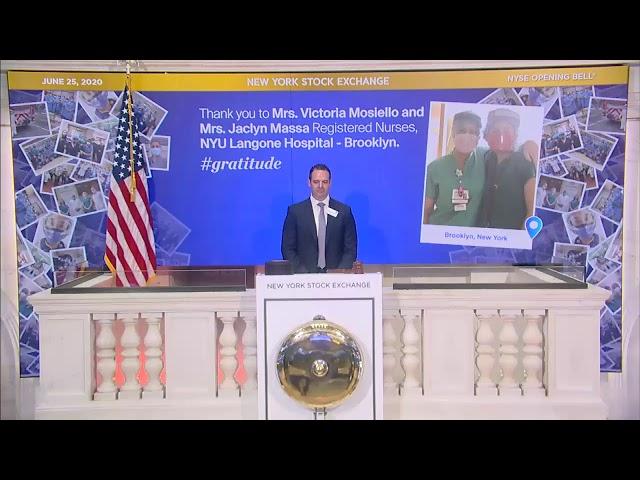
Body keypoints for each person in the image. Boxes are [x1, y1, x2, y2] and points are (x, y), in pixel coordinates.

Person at [281, 164, 357, 273]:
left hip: (337, 281)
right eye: (316, 182)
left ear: (330, 183)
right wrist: (303, 274)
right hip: (303, 280)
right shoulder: (295, 212)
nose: (320, 186)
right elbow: (287, 249)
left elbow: (350, 249)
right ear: (309, 182)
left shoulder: (344, 212)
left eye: (324, 182)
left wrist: (339, 273)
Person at [477, 108, 536, 230]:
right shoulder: (484, 158)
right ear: (487, 136)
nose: (501, 135)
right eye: (496, 131)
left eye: (507, 130)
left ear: (515, 135)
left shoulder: (525, 162)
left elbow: (531, 212)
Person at [424, 111, 485, 227]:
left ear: (478, 138)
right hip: (441, 232)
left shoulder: (485, 156)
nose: (467, 136)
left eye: (472, 132)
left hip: (472, 238)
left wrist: (529, 144)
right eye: (462, 131)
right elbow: (425, 213)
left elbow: (511, 152)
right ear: (453, 134)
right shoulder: (434, 168)